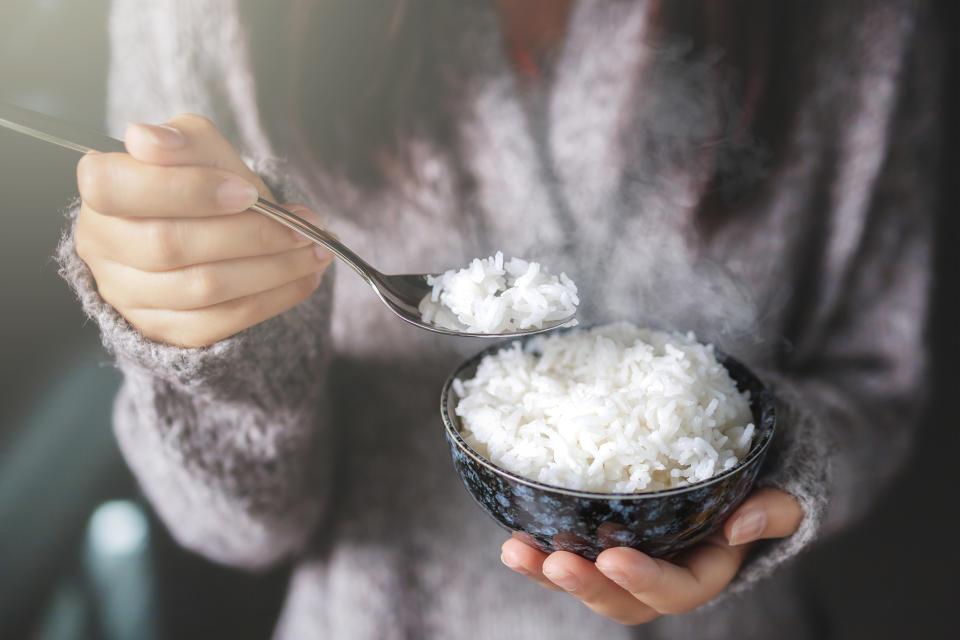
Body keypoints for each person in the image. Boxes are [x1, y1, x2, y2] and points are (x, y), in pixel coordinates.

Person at [57, 0, 940, 638]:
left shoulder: (869, 26)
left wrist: (778, 476)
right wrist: (214, 352)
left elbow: (876, 381)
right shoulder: (205, 18)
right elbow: (234, 530)